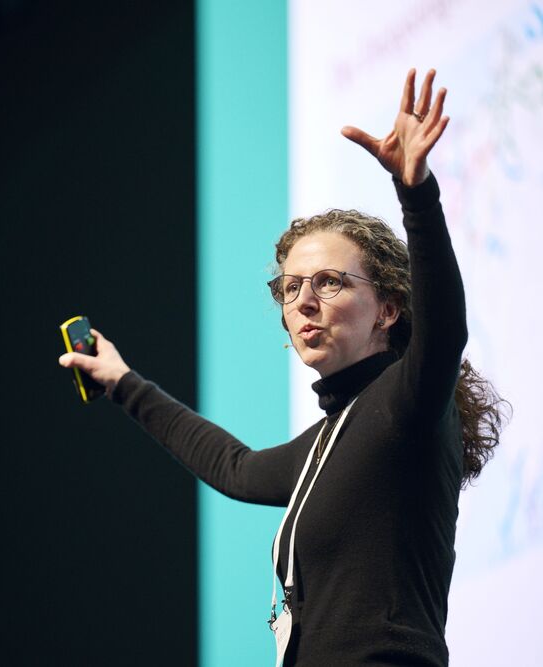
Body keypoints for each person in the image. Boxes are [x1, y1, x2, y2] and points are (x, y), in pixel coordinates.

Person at [58, 69, 508, 666]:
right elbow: (235, 468)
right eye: (291, 288)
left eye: (329, 282)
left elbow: (445, 329)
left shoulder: (407, 406)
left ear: (388, 309)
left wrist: (416, 192)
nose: (303, 302)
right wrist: (122, 382)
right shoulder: (330, 439)